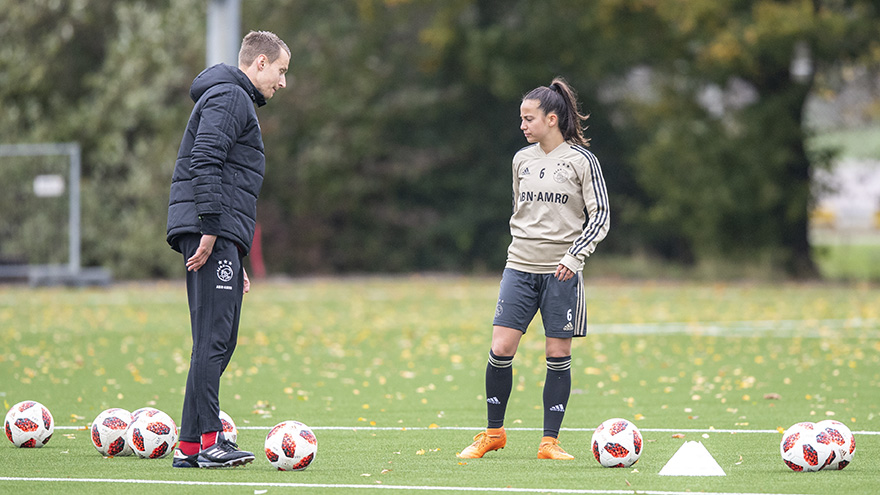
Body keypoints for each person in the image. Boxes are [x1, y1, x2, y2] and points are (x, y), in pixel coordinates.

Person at [457, 77, 610, 460]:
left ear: (552, 119)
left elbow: (601, 216)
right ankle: (493, 433)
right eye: (521, 119)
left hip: (562, 273)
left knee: (557, 354)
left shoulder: (581, 161)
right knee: (500, 347)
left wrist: (573, 257)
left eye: (529, 119)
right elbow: (519, 210)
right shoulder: (521, 160)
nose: (522, 126)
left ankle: (549, 442)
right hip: (519, 268)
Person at [165, 30, 290, 469]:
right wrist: (212, 229)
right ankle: (209, 439)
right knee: (214, 338)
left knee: (217, 338)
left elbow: (229, 176)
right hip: (207, 230)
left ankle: (191, 446)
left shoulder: (232, 99)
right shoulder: (231, 97)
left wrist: (233, 252)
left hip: (218, 235)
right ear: (259, 64)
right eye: (280, 70)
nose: (282, 82)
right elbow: (205, 159)